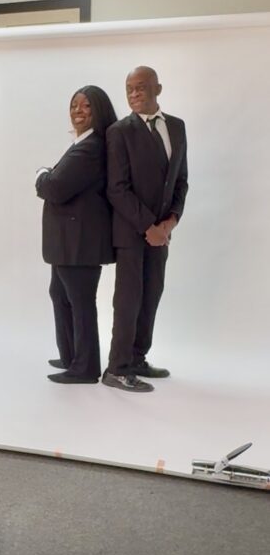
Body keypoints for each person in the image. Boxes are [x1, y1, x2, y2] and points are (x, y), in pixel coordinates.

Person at [103, 66, 188, 393]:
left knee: (151, 296)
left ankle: (138, 358)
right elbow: (117, 188)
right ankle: (117, 368)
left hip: (161, 234)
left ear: (158, 89)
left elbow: (181, 181)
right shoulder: (119, 131)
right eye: (129, 89)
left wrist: (169, 223)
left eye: (141, 88)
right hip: (130, 232)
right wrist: (148, 226)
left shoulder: (177, 128)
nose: (134, 93)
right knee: (128, 300)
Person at [36, 86, 117, 384]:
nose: (78, 111)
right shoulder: (83, 144)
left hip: (79, 243)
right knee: (60, 294)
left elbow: (55, 187)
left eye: (86, 106)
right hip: (69, 242)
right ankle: (71, 357)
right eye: (74, 105)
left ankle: (85, 367)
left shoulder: (91, 147)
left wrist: (41, 175)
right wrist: (49, 176)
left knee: (80, 302)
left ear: (98, 111)